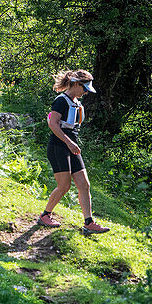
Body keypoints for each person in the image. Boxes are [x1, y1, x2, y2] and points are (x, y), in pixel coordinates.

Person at [38, 70, 110, 233]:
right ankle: (45, 215)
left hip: (72, 147)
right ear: (76, 84)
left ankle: (89, 222)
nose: (86, 92)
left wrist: (72, 144)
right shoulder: (61, 101)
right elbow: (53, 123)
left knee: (84, 185)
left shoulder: (77, 103)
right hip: (58, 147)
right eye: (84, 88)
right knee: (64, 186)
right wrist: (69, 143)